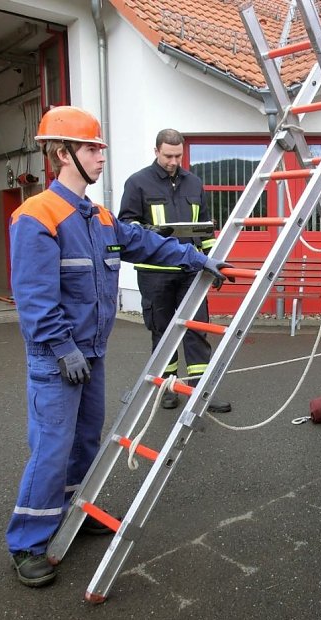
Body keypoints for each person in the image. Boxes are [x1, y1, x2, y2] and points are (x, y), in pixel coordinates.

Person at [6, 106, 232, 588]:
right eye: (92, 149)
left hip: (89, 353)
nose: (101, 157)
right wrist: (61, 347)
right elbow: (34, 296)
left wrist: (197, 257)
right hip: (57, 357)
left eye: (101, 149)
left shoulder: (99, 217)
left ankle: (71, 512)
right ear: (62, 154)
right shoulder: (38, 215)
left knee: (87, 442)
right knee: (51, 447)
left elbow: (147, 243)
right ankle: (26, 541)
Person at [118, 129, 231, 412]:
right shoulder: (137, 183)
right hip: (155, 271)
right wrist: (151, 232)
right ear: (156, 151)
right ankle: (166, 388)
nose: (173, 161)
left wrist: (212, 261)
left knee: (196, 330)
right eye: (168, 156)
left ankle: (199, 391)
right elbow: (127, 227)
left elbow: (205, 229)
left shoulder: (193, 183)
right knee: (163, 330)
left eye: (178, 155)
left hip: (192, 270)